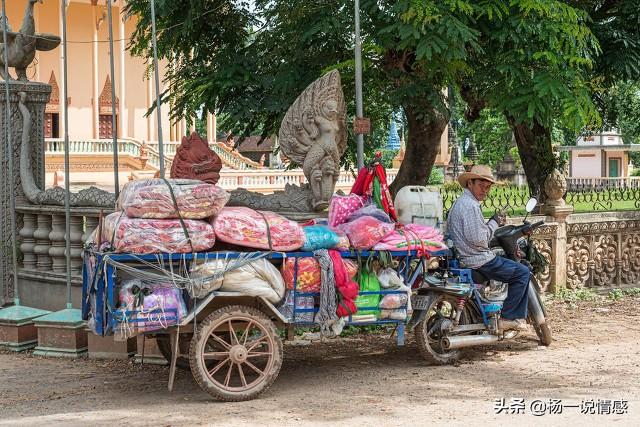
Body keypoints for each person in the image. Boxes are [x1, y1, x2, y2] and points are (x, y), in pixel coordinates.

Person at [447, 164, 529, 331]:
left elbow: (475, 234)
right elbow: (479, 239)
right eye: (481, 186)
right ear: (470, 183)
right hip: (478, 260)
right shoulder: (470, 205)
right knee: (522, 273)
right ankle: (508, 317)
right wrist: (494, 222)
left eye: (487, 187)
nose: (484, 190)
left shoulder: (462, 203)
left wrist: (491, 223)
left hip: (467, 256)